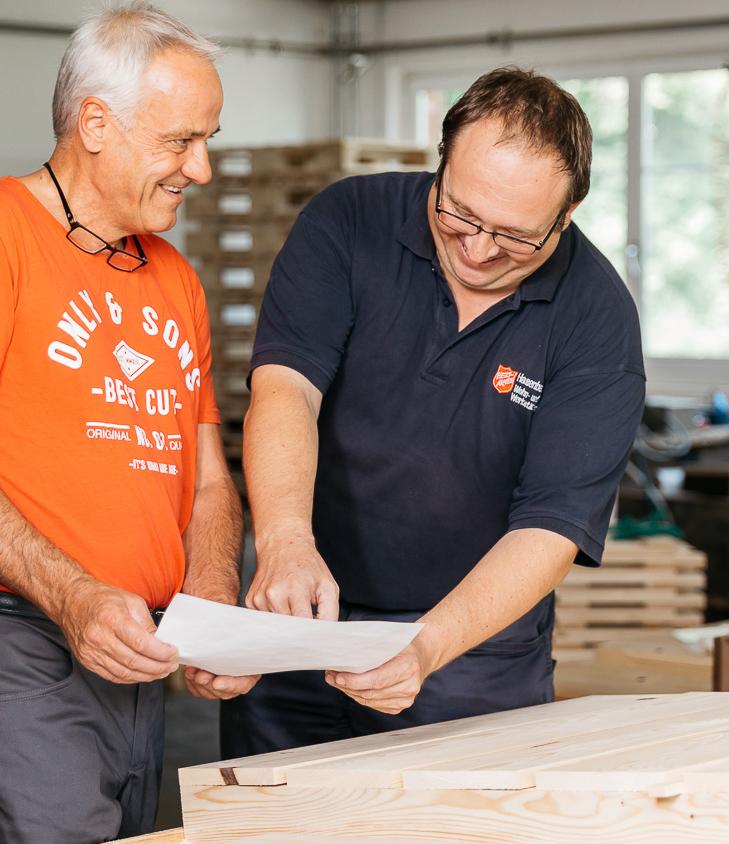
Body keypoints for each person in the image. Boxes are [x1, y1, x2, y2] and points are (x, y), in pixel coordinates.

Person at [0, 4, 253, 840]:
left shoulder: (175, 280)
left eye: (208, 139)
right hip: (16, 649)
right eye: (178, 141)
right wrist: (72, 595)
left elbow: (204, 476)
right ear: (95, 123)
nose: (200, 168)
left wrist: (212, 596)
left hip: (133, 659)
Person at [222, 66, 646, 757]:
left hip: (471, 648)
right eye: (460, 214)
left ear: (565, 218)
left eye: (514, 237)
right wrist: (285, 545)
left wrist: (429, 645)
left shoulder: (596, 319)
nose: (477, 251)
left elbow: (550, 527)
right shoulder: (348, 221)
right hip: (300, 609)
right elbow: (286, 389)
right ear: (440, 163)